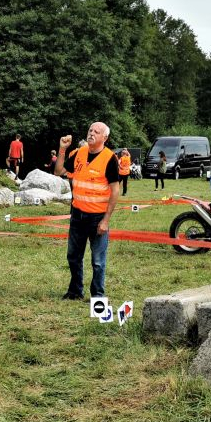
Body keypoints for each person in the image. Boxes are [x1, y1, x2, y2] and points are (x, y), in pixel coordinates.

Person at [54, 122, 121, 300]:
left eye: (96, 132)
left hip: (97, 218)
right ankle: (75, 291)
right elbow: (58, 171)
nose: (91, 133)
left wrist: (106, 220)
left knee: (98, 261)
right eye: (90, 130)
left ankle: (97, 296)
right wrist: (62, 149)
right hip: (77, 215)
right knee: (73, 256)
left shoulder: (110, 158)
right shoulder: (79, 153)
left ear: (104, 138)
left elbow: (115, 190)